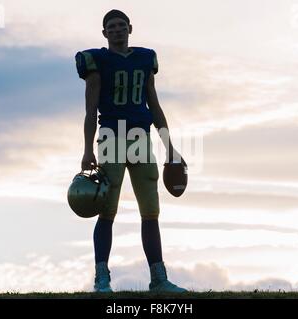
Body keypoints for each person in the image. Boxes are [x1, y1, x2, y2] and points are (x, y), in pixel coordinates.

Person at [75, 9, 186, 293]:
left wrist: (170, 148)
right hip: (111, 136)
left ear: (130, 28)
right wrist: (87, 149)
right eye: (111, 27)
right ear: (104, 33)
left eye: (121, 25)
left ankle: (158, 279)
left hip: (140, 138)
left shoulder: (145, 58)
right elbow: (90, 110)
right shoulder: (97, 61)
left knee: (150, 210)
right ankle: (102, 279)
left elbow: (155, 107)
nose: (117, 30)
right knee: (107, 209)